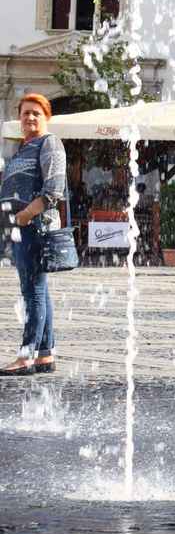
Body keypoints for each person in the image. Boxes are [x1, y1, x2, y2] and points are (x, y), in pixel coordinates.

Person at [0, 93, 66, 376]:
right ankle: (45, 354)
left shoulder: (49, 143)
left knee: (33, 291)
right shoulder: (23, 147)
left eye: (36, 113)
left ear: (46, 117)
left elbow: (53, 190)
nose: (29, 117)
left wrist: (25, 215)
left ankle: (26, 356)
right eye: (25, 113)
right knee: (39, 289)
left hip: (35, 226)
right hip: (20, 227)